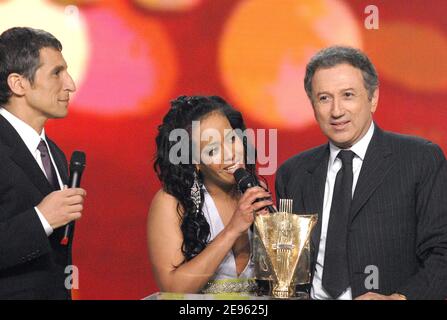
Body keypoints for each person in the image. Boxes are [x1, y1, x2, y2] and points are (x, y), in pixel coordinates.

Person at [275, 46, 447, 300]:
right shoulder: (293, 173)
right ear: (312, 104)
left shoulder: (419, 159)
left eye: (347, 95)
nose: (336, 111)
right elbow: (284, 267)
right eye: (324, 98)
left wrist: (399, 298)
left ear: (373, 97)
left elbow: (442, 251)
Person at [147, 95, 272, 294]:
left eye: (232, 138)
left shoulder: (256, 188)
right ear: (195, 161)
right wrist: (232, 230)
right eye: (213, 150)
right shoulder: (171, 202)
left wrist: (272, 236)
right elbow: (173, 288)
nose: (231, 154)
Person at [0, 27, 86, 299]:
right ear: (18, 83)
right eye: (56, 73)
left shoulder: (56, 155)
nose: (70, 84)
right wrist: (41, 219)